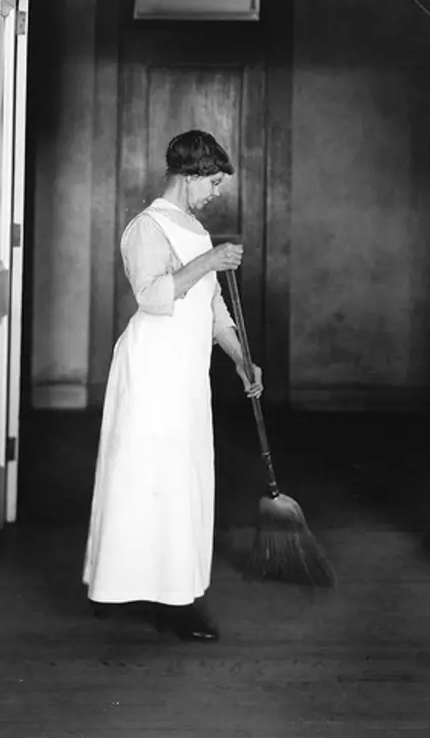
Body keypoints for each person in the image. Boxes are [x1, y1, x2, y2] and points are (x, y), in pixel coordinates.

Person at [82, 130, 263, 642]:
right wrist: (208, 263)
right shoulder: (147, 227)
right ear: (188, 176)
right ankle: (136, 592)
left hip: (184, 372)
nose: (217, 192)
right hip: (150, 368)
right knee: (142, 475)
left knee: (179, 478)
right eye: (213, 182)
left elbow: (211, 307)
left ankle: (170, 591)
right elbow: (153, 296)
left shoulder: (194, 229)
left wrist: (240, 359)